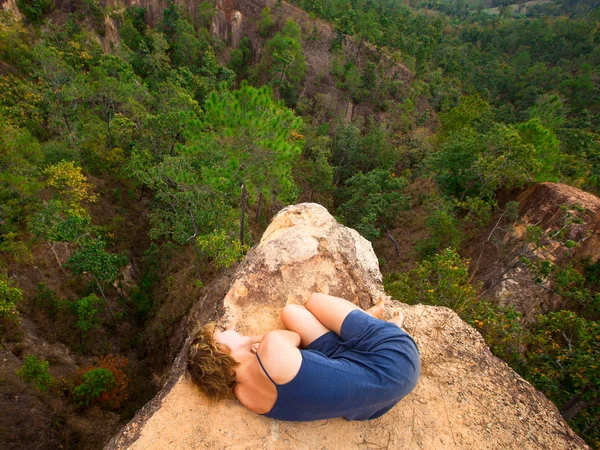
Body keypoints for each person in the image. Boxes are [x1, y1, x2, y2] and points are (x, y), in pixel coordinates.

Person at [187, 293, 420, 422]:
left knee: (292, 314)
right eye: (223, 332)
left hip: (373, 405)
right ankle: (380, 326)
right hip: (397, 362)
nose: (230, 328)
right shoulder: (272, 347)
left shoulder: (244, 395)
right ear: (223, 349)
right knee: (313, 302)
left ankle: (366, 327)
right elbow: (294, 336)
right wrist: (251, 342)